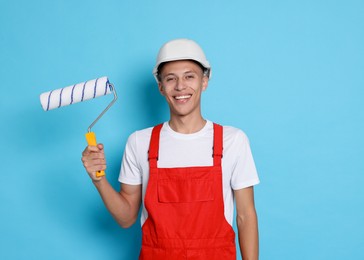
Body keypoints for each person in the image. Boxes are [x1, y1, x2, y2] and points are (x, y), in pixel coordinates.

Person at [82, 38, 260, 259]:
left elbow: (245, 216)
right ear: (161, 87)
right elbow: (126, 217)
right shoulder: (139, 142)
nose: (180, 87)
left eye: (189, 76)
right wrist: (98, 180)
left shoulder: (233, 141)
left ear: (204, 82)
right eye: (170, 79)